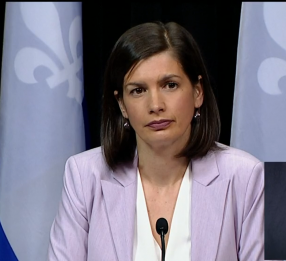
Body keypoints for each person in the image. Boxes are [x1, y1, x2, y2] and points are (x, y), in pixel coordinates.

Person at [47, 21, 265, 261]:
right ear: (122, 105)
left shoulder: (245, 176)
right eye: (138, 91)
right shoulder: (84, 175)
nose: (155, 105)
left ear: (198, 92)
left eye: (170, 85)